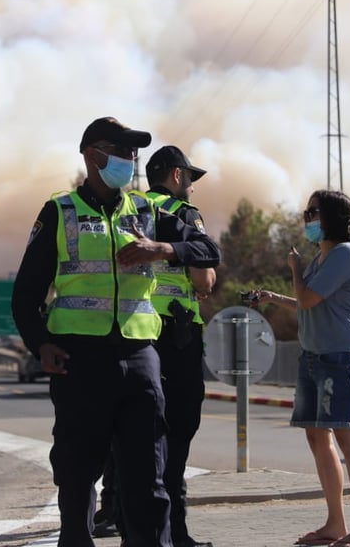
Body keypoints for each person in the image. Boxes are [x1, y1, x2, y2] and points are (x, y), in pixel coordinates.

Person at [12, 117, 221, 547]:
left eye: (134, 152)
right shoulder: (61, 211)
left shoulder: (147, 211)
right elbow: (25, 294)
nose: (130, 159)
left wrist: (162, 248)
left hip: (140, 357)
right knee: (77, 473)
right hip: (80, 359)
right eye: (121, 150)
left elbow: (208, 251)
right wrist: (41, 345)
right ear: (93, 155)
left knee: (149, 478)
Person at [249, 189, 350, 547]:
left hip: (340, 358)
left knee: (347, 437)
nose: (308, 219)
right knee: (317, 436)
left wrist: (293, 270)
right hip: (313, 357)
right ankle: (335, 524)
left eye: (314, 213)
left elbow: (307, 297)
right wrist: (274, 298)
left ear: (333, 217)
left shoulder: (346, 254)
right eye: (307, 213)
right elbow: (309, 303)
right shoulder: (321, 259)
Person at [144, 145, 217, 547]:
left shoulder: (133, 209)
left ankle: (130, 522)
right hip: (178, 336)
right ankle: (177, 533)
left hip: (137, 334)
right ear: (176, 176)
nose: (191, 186)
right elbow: (204, 280)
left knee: (139, 432)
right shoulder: (184, 215)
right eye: (190, 178)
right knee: (178, 433)